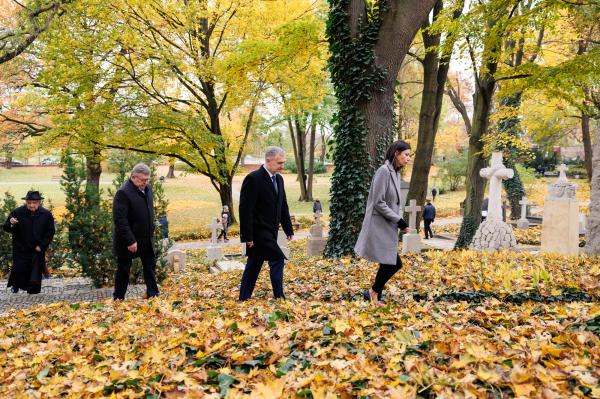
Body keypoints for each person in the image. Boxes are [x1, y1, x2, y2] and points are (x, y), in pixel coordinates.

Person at [355, 140, 410, 306]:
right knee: (394, 262)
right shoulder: (383, 171)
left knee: (389, 262)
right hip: (378, 226)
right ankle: (373, 292)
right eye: (406, 155)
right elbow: (378, 202)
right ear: (396, 153)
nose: (408, 158)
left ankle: (374, 293)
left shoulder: (394, 172)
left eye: (409, 155)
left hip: (387, 226)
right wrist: (400, 221)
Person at [238, 146, 294, 301]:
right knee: (277, 258)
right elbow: (245, 210)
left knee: (254, 264)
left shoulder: (279, 179)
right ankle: (279, 297)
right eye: (279, 163)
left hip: (271, 231)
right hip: (257, 232)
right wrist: (247, 236)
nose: (282, 166)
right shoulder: (253, 178)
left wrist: (288, 229)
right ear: (268, 160)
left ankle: (243, 298)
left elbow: (282, 205)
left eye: (283, 162)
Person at [112, 163, 160, 300]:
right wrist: (130, 240)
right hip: (129, 241)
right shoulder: (123, 193)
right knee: (124, 270)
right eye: (143, 180)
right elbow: (120, 220)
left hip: (146, 238)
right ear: (133, 177)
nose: (146, 182)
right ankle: (118, 298)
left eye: (147, 179)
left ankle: (153, 294)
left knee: (149, 267)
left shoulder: (147, 189)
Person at [3, 191, 55, 294]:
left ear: (39, 202)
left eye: (34, 203)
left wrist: (42, 245)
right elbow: (6, 227)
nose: (31, 205)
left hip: (37, 248)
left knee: (35, 271)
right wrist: (11, 224)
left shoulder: (46, 214)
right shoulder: (17, 212)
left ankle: (33, 291)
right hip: (21, 248)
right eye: (29, 203)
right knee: (19, 269)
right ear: (26, 202)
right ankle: (16, 285)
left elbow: (50, 232)